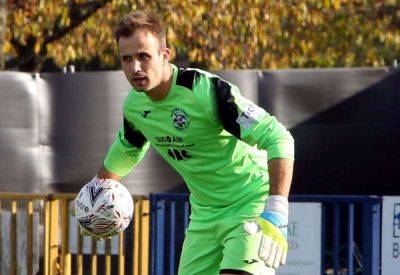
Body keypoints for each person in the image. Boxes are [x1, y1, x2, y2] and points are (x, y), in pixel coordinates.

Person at [88, 10, 294, 275]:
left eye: (143, 56)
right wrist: (93, 200)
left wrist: (276, 210)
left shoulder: (204, 91)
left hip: (250, 205)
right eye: (126, 59)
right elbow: (127, 149)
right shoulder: (135, 106)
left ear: (165, 55)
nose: (135, 68)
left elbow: (278, 137)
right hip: (204, 217)